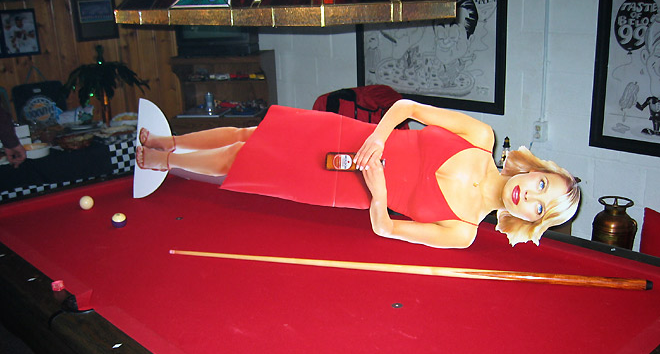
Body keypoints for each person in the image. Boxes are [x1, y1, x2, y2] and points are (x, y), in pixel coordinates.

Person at [137, 100, 580, 248]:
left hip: (339, 186)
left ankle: (166, 163)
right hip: (351, 137)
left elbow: (386, 228)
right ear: (534, 170)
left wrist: (379, 190)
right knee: (251, 133)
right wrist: (377, 140)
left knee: (242, 159)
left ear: (533, 221)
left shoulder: (462, 233)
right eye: (542, 184)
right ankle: (169, 142)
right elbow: (406, 108)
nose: (531, 196)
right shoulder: (481, 136)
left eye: (541, 207)